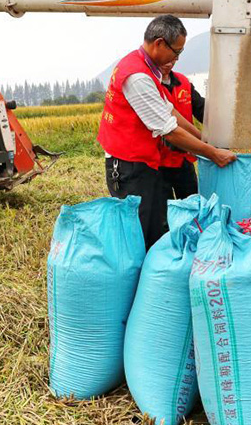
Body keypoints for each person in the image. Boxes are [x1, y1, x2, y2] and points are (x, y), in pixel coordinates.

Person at [97, 15, 236, 249]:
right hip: (128, 166)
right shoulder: (137, 76)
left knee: (156, 225)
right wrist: (212, 153)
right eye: (176, 51)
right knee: (143, 232)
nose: (177, 58)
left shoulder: (148, 68)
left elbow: (170, 111)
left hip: (144, 161)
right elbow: (168, 130)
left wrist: (204, 138)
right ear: (159, 43)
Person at [159, 59, 206, 199]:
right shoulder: (149, 84)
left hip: (184, 160)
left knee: (191, 204)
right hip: (157, 163)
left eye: (173, 57)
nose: (168, 62)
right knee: (164, 211)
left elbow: (203, 110)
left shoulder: (183, 82)